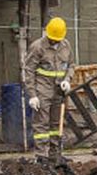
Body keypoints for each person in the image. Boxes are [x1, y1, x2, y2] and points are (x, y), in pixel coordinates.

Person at [23, 17, 75, 163]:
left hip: (59, 90)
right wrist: (32, 95)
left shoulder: (66, 45)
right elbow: (29, 70)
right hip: (42, 90)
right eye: (52, 39)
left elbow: (71, 65)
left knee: (56, 123)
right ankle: (41, 156)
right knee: (41, 124)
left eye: (57, 39)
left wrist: (67, 79)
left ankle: (55, 154)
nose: (54, 42)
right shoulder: (37, 47)